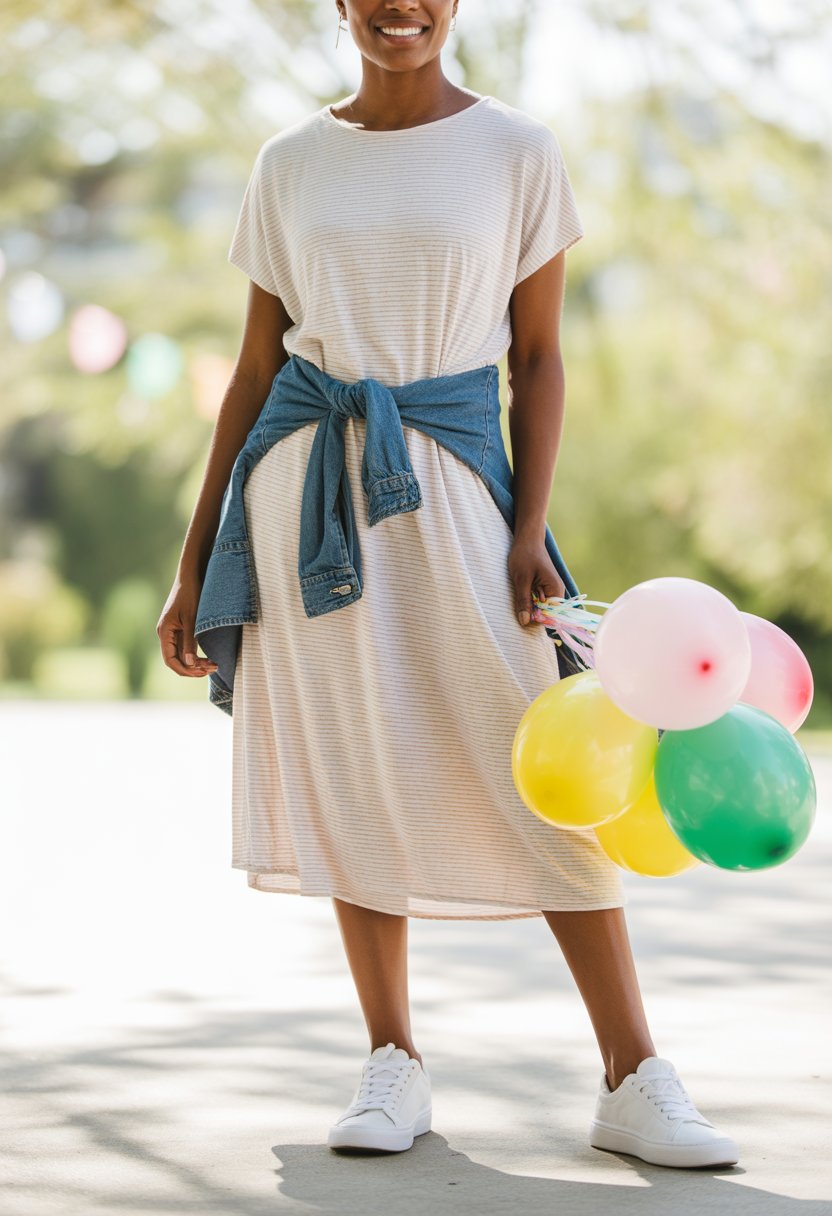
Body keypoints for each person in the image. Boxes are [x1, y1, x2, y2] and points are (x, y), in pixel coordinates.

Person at [157, 0, 740, 1171]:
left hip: (456, 484)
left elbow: (536, 358)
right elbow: (256, 366)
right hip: (303, 490)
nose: (398, 5)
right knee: (354, 758)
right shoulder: (290, 163)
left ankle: (632, 1074)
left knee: (539, 754)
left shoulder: (517, 151)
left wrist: (528, 525)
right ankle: (393, 1061)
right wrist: (194, 558)